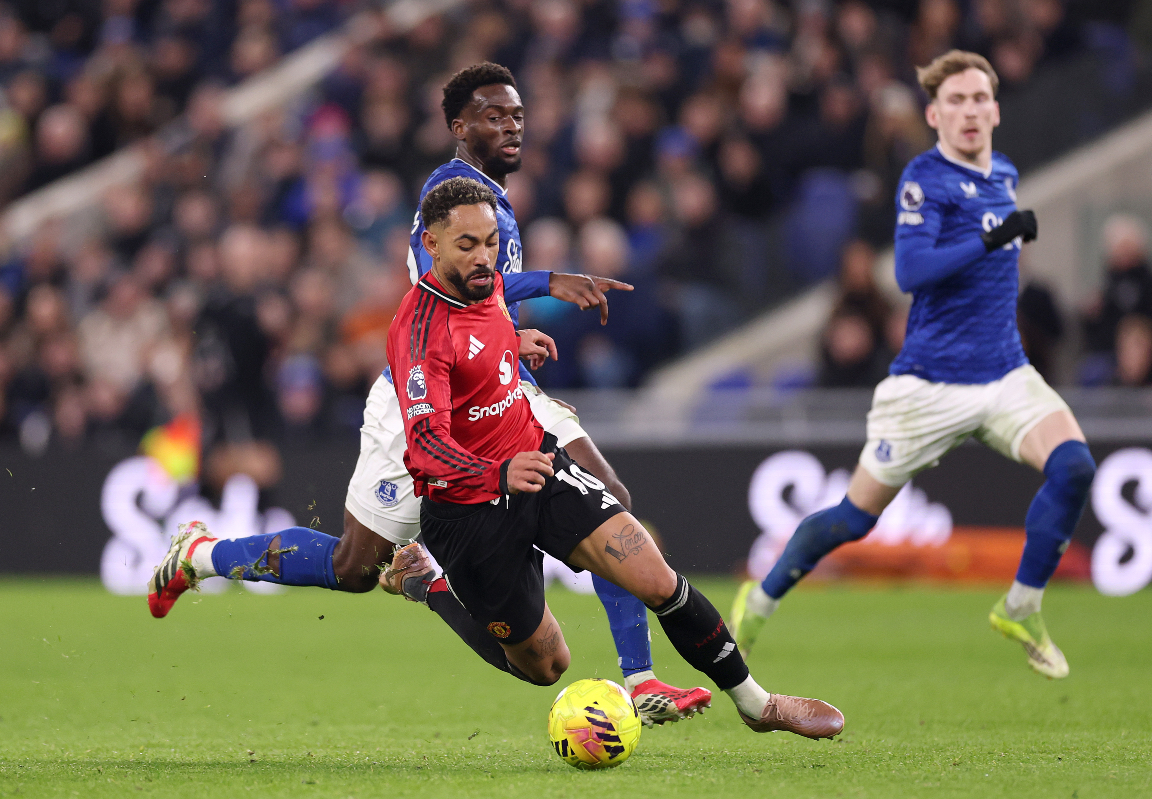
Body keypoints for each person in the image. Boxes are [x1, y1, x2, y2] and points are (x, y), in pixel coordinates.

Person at [149, 63, 711, 726]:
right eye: (493, 115)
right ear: (458, 126)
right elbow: (438, 287)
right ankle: (200, 553)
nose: (509, 126)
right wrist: (543, 285)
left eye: (517, 115)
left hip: (499, 390)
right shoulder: (451, 190)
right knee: (354, 565)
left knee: (606, 491)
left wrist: (520, 320)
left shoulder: (489, 199)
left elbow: (482, 296)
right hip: (425, 398)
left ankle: (641, 678)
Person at [387, 175, 844, 738]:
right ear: (429, 245)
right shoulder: (417, 332)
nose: (484, 258)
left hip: (539, 463)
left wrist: (512, 345)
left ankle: (757, 703)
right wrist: (497, 471)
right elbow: (424, 447)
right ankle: (428, 586)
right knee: (546, 665)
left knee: (655, 577)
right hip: (469, 508)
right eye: (466, 245)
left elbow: (481, 341)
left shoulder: (487, 286)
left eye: (488, 241)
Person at [730, 50, 1096, 680]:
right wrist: (993, 236)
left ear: (997, 109)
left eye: (980, 98)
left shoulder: (1003, 171)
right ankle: (759, 598)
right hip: (928, 386)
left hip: (1006, 373)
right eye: (956, 101)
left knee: (1074, 466)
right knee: (852, 518)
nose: (970, 110)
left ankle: (1021, 606)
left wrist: (998, 236)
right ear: (933, 114)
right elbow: (910, 271)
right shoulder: (924, 180)